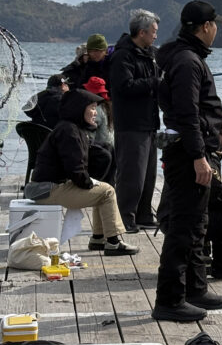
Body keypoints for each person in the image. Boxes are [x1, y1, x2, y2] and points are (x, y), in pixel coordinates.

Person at [152, 0, 222, 322]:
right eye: (215, 24)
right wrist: (199, 157)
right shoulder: (188, 61)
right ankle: (169, 299)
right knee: (184, 228)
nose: (216, 30)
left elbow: (200, 106)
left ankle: (195, 287)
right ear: (205, 27)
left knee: (198, 223)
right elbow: (186, 114)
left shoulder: (183, 56)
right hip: (187, 154)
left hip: (191, 148)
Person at [26, 88, 138, 255]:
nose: (96, 113)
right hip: (47, 190)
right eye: (92, 108)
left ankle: (98, 239)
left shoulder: (70, 128)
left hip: (47, 187)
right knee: (107, 191)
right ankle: (113, 242)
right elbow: (75, 169)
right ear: (79, 109)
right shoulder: (69, 132)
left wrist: (91, 181)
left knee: (102, 190)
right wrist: (88, 182)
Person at [109, 9, 162, 234]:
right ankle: (124, 218)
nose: (155, 36)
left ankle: (144, 215)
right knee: (132, 176)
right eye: (153, 32)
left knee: (148, 175)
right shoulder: (123, 56)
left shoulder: (150, 54)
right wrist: (155, 82)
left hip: (149, 122)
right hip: (131, 124)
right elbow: (124, 87)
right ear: (141, 32)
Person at [82, 76, 115, 185]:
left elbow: (89, 133)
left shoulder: (96, 110)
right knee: (109, 182)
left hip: (100, 151)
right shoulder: (109, 107)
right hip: (112, 150)